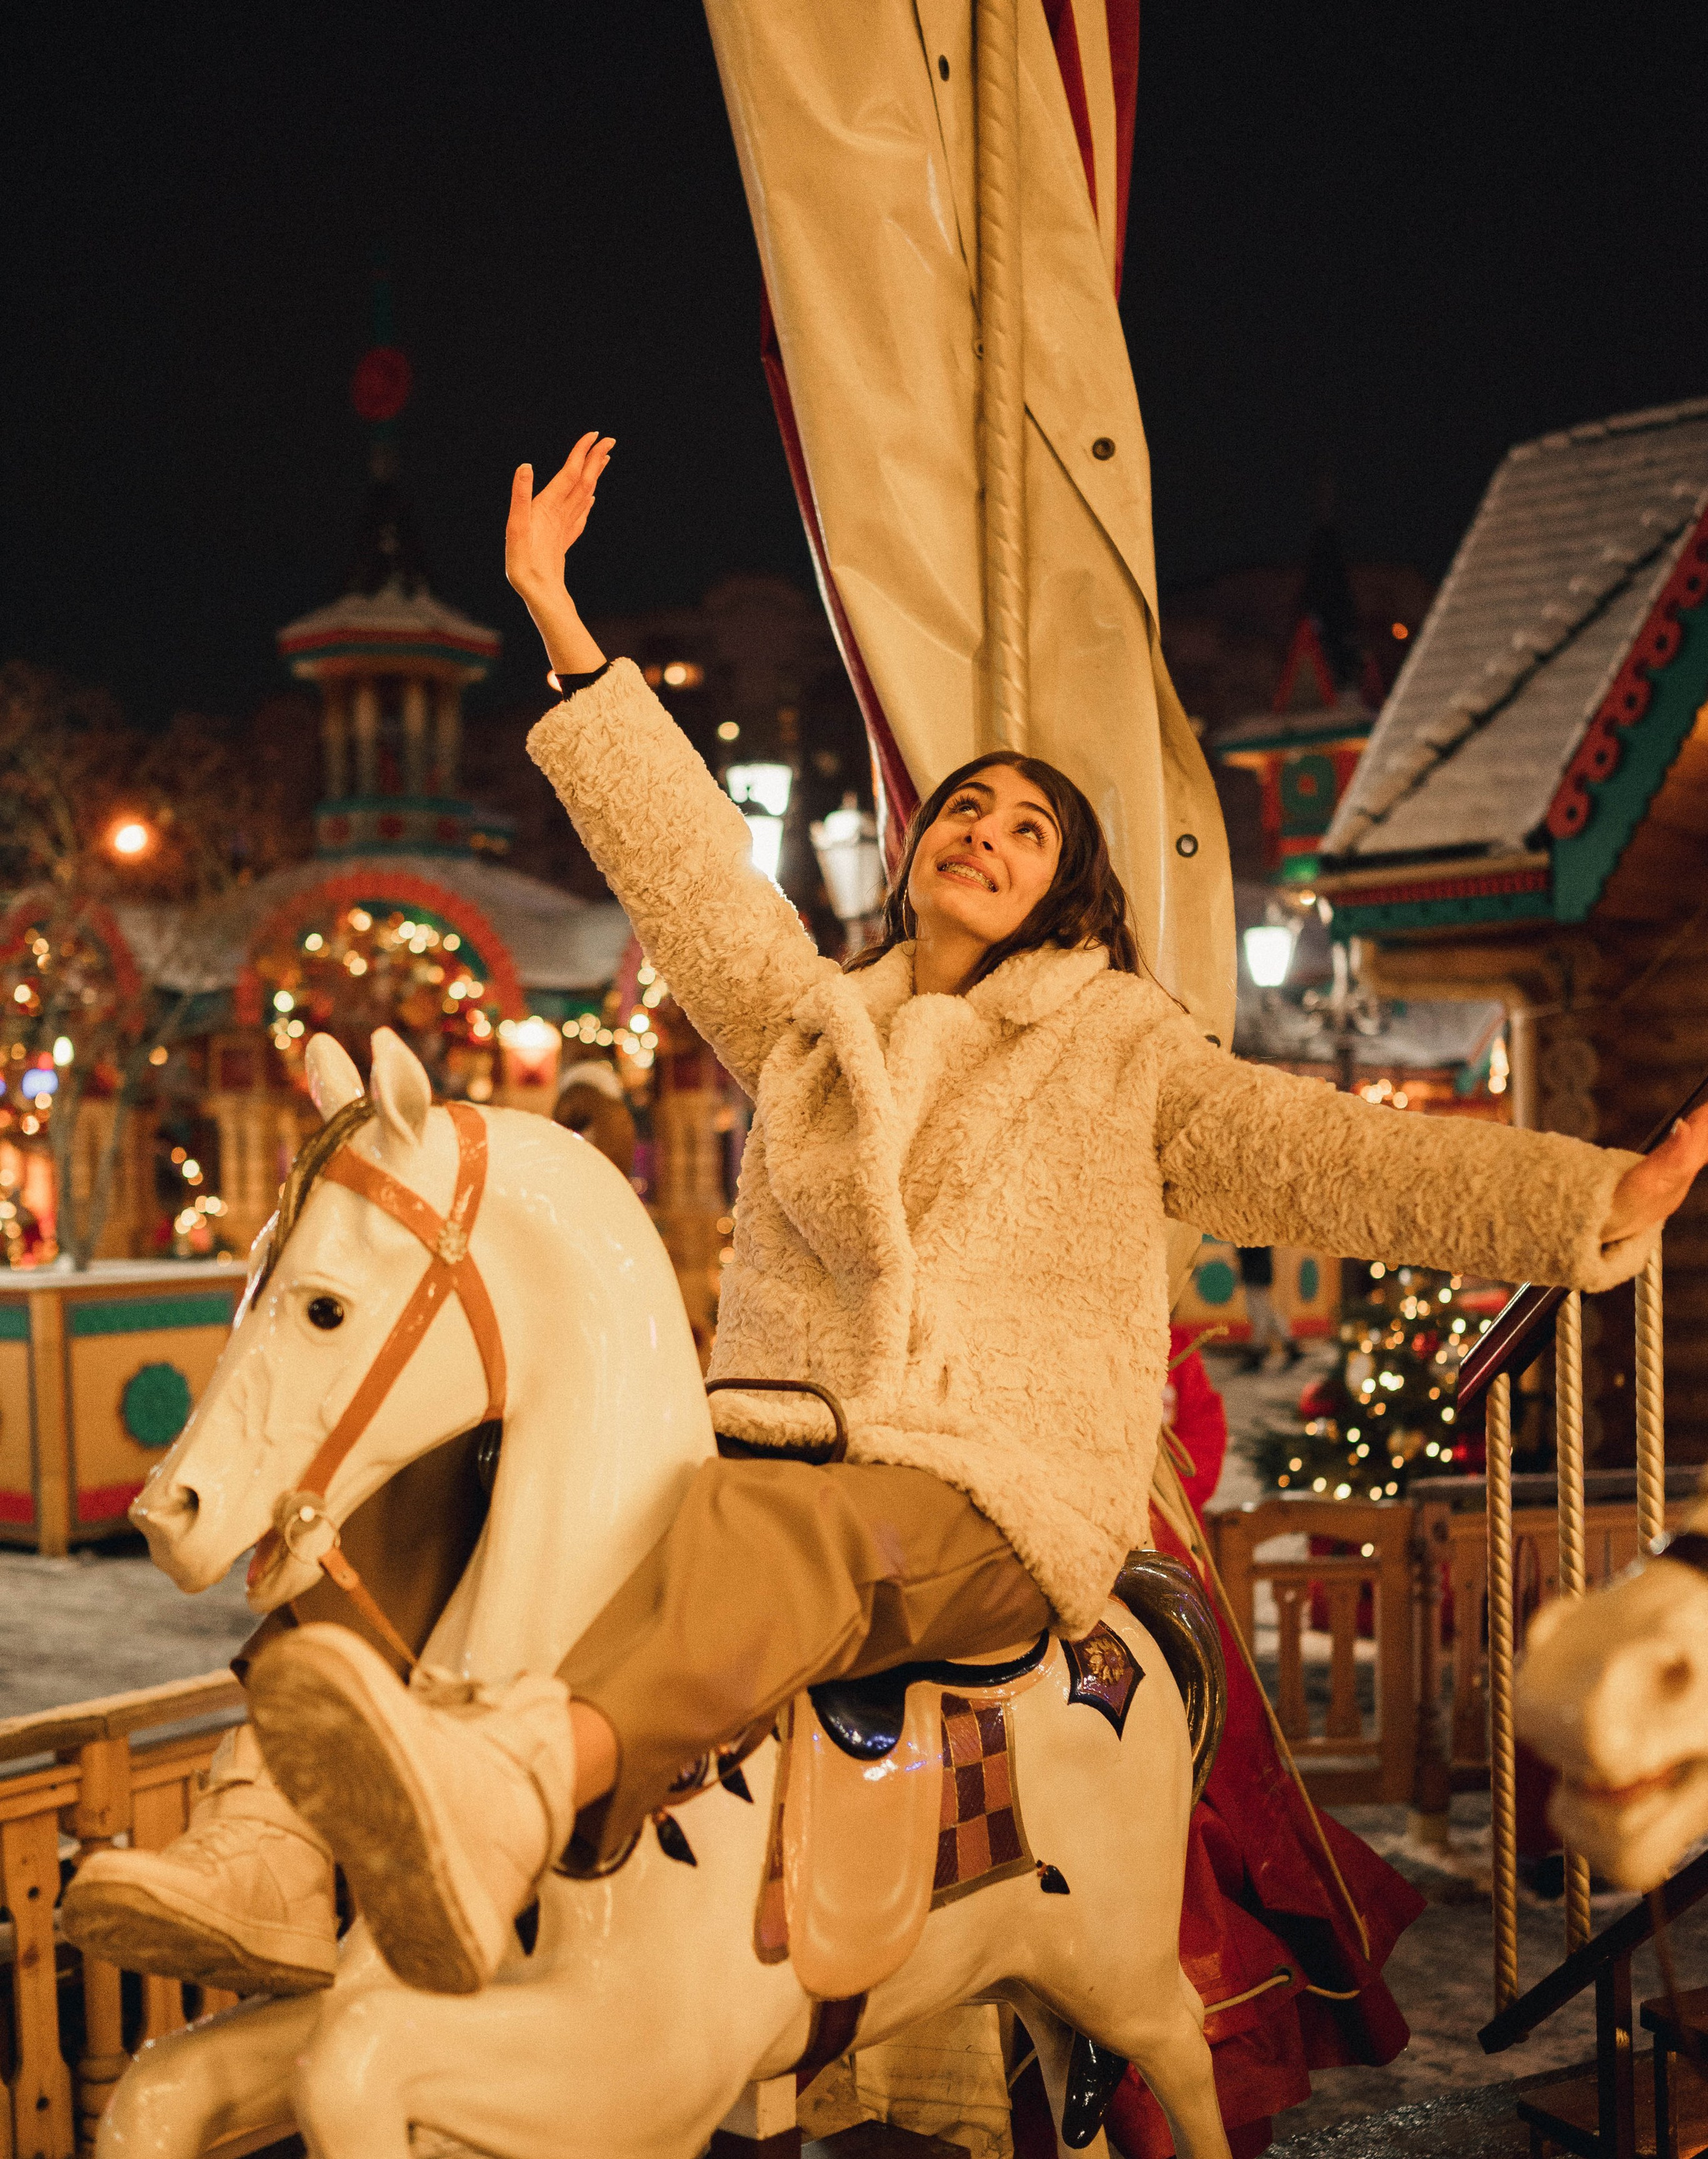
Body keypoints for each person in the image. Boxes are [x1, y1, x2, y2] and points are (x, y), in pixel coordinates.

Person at [65, 432, 1708, 2006]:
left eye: (1024, 826)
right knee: (454, 1481)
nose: (980, 833)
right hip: (788, 1446)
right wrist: (562, 622)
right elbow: (691, 870)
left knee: (759, 1531)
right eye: (961, 810)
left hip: (987, 1490)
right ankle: (273, 1841)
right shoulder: (812, 1028)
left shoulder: (1119, 1050)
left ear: (1060, 890)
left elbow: (1338, 1158)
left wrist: (1582, 1200)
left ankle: (512, 1792)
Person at [1235, 1244, 1298, 1371]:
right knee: (1266, 1312)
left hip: (1255, 1273)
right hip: (1258, 1273)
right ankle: (1290, 1344)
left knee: (1259, 1314)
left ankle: (1257, 1351)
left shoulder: (1253, 1231)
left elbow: (1247, 1249)